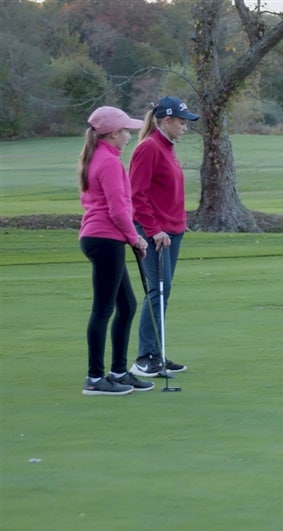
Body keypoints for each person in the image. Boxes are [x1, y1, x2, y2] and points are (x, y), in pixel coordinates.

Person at [78, 106, 154, 395]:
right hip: (105, 238)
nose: (129, 136)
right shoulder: (109, 163)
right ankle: (95, 379)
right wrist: (135, 238)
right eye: (125, 132)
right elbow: (118, 209)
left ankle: (119, 372)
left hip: (102, 238)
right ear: (112, 134)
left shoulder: (100, 156)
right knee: (104, 309)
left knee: (127, 306)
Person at [129, 96, 199, 378]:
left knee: (163, 291)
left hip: (173, 230)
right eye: (181, 122)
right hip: (154, 232)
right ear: (167, 121)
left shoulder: (167, 147)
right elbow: (137, 195)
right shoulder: (149, 149)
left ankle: (157, 353)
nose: (185, 127)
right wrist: (154, 229)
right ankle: (145, 358)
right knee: (157, 291)